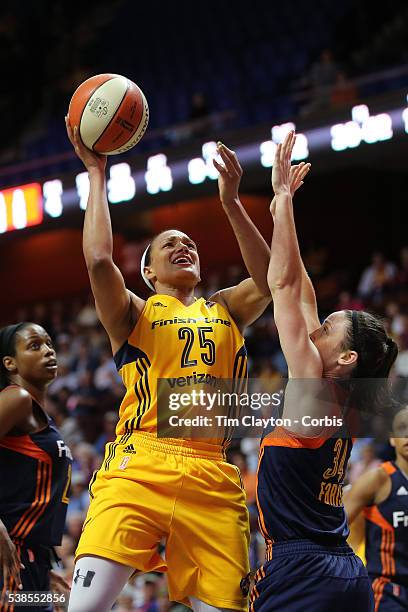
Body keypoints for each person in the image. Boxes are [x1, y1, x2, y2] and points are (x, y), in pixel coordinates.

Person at [65, 118, 273, 612]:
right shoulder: (133, 311)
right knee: (85, 607)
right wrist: (97, 174)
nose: (184, 246)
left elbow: (270, 279)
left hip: (212, 476)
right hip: (140, 464)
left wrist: (231, 204)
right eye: (169, 245)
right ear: (148, 271)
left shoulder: (225, 306)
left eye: (191, 244)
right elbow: (98, 261)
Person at [250, 131, 398, 611]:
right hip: (343, 571)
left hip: (301, 570)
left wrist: (282, 200)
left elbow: (282, 284)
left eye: (334, 325)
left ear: (347, 357)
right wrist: (281, 209)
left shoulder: (312, 389)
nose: (324, 320)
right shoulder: (339, 393)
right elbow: (305, 294)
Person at [0, 323, 72, 611]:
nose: (48, 351)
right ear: (10, 363)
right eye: (34, 346)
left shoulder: (38, 414)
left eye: (49, 343)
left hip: (33, 567)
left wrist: (43, 570)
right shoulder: (16, 398)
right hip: (10, 559)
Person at [344, 406, 408, 611]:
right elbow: (333, 528)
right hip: (388, 589)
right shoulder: (379, 479)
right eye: (402, 428)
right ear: (392, 438)